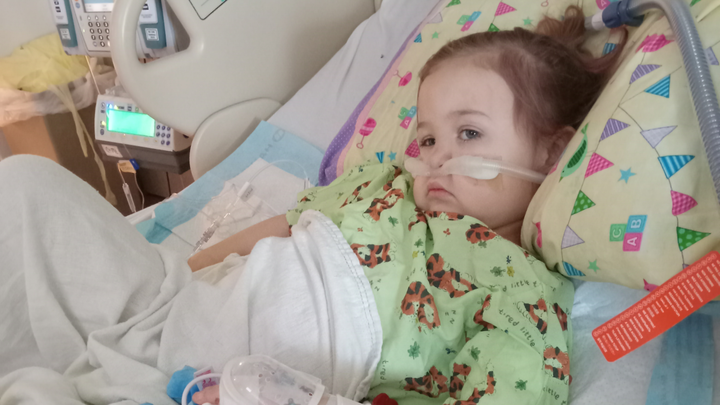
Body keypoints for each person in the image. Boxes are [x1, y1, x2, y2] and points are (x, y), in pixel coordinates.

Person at [189, 6, 627, 405]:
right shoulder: (382, 184)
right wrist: (187, 273)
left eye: (469, 133)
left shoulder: (522, 293)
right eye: (428, 139)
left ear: (551, 153)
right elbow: (286, 225)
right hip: (211, 304)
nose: (436, 157)